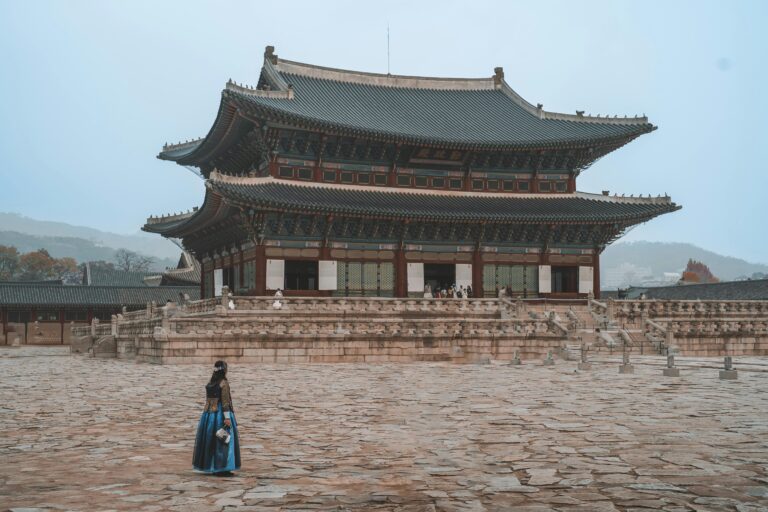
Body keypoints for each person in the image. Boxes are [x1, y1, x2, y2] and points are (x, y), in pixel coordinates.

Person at [192, 360, 241, 475]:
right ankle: (222, 467)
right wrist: (227, 418)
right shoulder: (223, 383)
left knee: (210, 441)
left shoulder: (210, 383)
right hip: (220, 415)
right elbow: (225, 402)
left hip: (208, 415)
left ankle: (211, 465)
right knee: (223, 441)